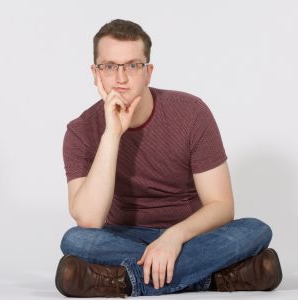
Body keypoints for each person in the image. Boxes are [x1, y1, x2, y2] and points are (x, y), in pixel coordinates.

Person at [55, 19, 282, 298]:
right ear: (95, 73)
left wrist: (173, 238)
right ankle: (213, 278)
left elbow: (221, 206)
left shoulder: (191, 113)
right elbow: (89, 220)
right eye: (110, 66)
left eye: (133, 65)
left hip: (192, 235)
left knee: (255, 230)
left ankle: (123, 280)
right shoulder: (80, 131)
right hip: (123, 235)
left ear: (148, 72)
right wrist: (112, 134)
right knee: (76, 240)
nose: (121, 78)